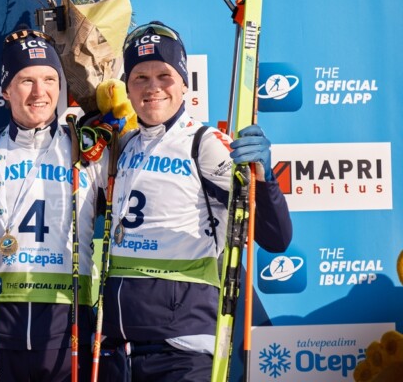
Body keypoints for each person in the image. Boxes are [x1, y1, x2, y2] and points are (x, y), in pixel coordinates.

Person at [97, 21, 293, 381]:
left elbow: (275, 238)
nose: (153, 88)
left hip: (182, 349)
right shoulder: (123, 147)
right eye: (140, 78)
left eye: (164, 76)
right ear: (127, 87)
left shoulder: (204, 143)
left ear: (185, 83)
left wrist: (264, 179)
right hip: (120, 349)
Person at [0, 28, 105, 381]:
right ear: (5, 90)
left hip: (67, 330)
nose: (40, 92)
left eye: (50, 80)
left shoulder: (89, 151)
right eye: (26, 81)